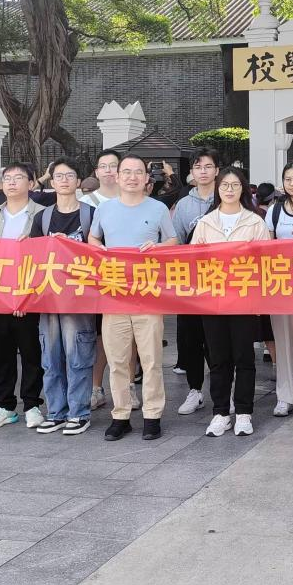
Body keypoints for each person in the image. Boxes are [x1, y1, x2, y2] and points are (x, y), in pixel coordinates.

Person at [91, 154, 178, 441]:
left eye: (138, 172)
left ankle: (152, 415)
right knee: (117, 359)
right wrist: (100, 249)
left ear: (146, 178)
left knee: (151, 359)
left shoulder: (158, 208)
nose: (132, 177)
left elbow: (173, 241)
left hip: (148, 294)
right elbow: (93, 238)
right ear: (117, 177)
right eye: (126, 172)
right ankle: (121, 415)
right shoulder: (104, 209)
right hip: (115, 294)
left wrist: (158, 247)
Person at [190, 166, 272, 437]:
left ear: (243, 189)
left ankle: (244, 412)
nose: (229, 189)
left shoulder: (255, 222)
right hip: (212, 301)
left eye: (235, 185)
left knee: (244, 357)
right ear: (218, 188)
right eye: (224, 185)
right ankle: (221, 412)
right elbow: (192, 261)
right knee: (218, 358)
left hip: (243, 300)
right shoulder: (206, 222)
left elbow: (266, 261)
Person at [31, 158, 98, 436]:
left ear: (78, 181)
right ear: (52, 181)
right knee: (51, 356)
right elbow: (32, 256)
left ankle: (79, 413)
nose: (64, 180)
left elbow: (101, 253)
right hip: (49, 297)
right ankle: (56, 412)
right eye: (58, 176)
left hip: (79, 298)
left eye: (70, 175)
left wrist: (73, 246)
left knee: (77, 354)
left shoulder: (91, 215)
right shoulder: (42, 218)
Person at [0, 162, 46, 431]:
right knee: (0, 352)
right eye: (7, 178)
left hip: (29, 293)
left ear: (31, 184)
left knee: (31, 351)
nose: (11, 182)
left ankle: (32, 404)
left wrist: (26, 294)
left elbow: (47, 256)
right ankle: (5, 406)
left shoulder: (42, 213)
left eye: (18, 178)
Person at [171, 148, 221, 415]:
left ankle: (223, 391)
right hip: (190, 281)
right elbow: (177, 243)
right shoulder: (183, 205)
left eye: (208, 166)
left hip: (220, 281)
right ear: (191, 172)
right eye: (198, 167)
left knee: (217, 339)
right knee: (190, 338)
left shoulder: (226, 197)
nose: (203, 171)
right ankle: (195, 390)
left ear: (217, 170)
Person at [262, 162, 293, 417]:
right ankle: (284, 395)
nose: (292, 184)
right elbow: (266, 245)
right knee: (282, 342)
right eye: (288, 179)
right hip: (281, 284)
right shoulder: (274, 211)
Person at [81, 149, 120, 413]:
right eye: (103, 166)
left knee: (128, 336)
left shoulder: (134, 198)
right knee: (98, 334)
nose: (108, 171)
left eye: (113, 165)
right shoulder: (84, 202)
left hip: (127, 278)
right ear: (96, 171)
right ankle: (96, 388)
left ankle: (127, 388)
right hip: (94, 278)